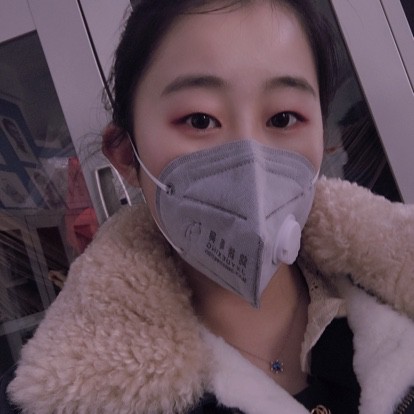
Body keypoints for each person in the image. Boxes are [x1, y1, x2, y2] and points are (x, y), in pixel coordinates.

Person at [1, 1, 414, 413]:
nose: (251, 167)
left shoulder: (397, 288)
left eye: (284, 118)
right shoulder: (76, 399)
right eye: (199, 120)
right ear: (127, 154)